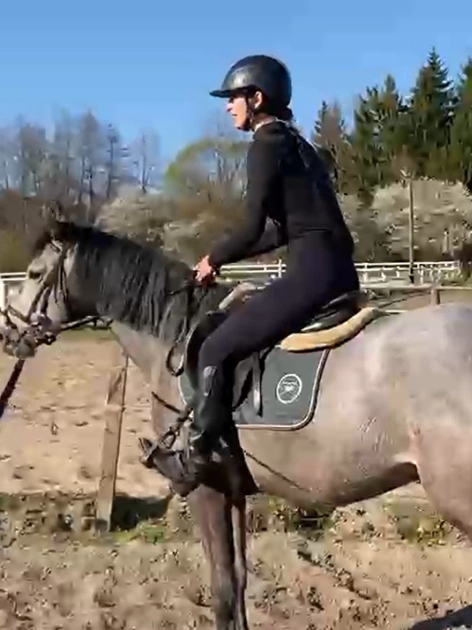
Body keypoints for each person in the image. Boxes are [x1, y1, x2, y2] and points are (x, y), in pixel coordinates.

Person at [148, 54, 361, 496]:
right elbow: (281, 229)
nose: (228, 107)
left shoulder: (265, 145)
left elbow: (249, 227)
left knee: (215, 347)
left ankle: (200, 455)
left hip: (312, 274)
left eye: (233, 98)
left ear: (256, 98)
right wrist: (229, 257)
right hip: (335, 266)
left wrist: (213, 259)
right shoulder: (300, 146)